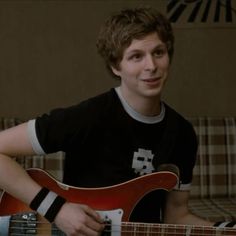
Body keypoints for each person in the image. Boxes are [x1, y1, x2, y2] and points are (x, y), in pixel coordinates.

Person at [0, 6, 215, 236]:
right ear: (115, 66)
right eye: (136, 56)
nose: (151, 66)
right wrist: (56, 210)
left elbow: (177, 216)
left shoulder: (182, 133)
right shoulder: (88, 116)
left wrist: (224, 229)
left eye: (158, 52)